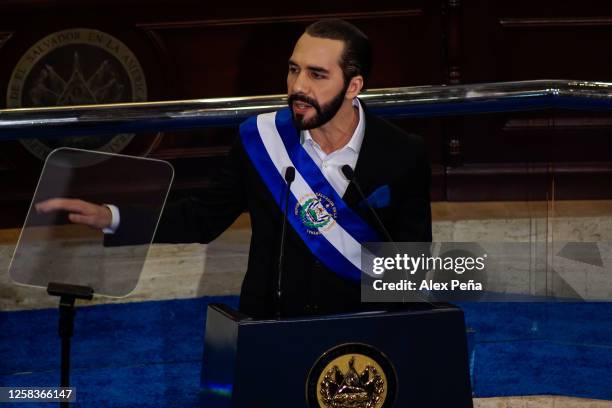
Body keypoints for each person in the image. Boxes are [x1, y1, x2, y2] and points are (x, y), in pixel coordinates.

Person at [36, 19, 432, 318]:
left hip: (361, 330)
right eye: (294, 69)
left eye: (317, 75)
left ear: (353, 86)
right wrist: (112, 217)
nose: (298, 86)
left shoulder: (402, 153)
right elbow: (202, 218)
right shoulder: (261, 140)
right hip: (272, 327)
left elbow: (414, 269)